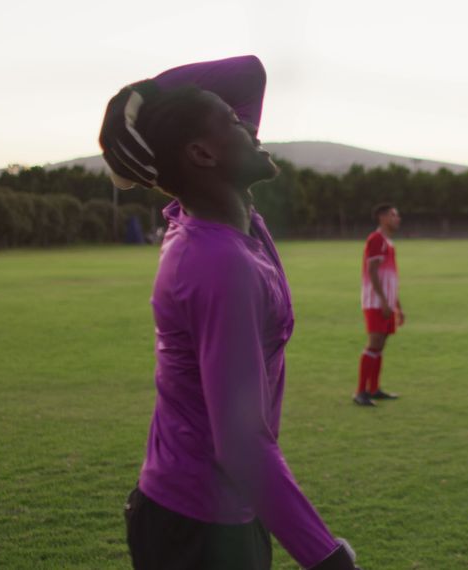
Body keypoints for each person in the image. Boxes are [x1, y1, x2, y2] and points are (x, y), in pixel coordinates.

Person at [99, 55, 360, 570]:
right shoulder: (217, 261)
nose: (248, 123)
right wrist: (327, 558)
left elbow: (250, 73)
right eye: (232, 121)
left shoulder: (218, 214)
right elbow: (240, 444)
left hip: (220, 511)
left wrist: (143, 94)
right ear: (202, 153)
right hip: (199, 531)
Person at [354, 204, 404, 407]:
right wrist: (383, 301)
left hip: (386, 303)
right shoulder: (376, 240)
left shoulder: (388, 242)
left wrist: (397, 305)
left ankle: (374, 389)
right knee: (373, 344)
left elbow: (390, 277)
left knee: (380, 345)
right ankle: (360, 392)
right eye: (394, 215)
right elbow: (372, 271)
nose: (397, 218)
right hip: (376, 302)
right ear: (382, 218)